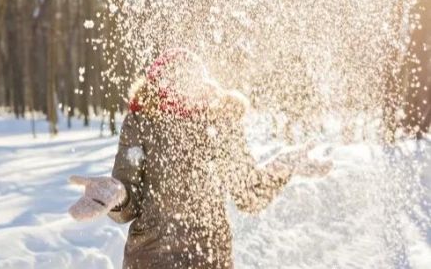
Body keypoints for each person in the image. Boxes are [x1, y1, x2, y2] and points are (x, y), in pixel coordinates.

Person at [69, 48, 332, 269]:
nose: (179, 87)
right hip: (151, 260)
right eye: (171, 80)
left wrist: (283, 167)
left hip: (209, 259)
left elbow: (248, 193)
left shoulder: (220, 122)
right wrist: (117, 195)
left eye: (187, 80)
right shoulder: (141, 122)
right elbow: (130, 202)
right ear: (155, 84)